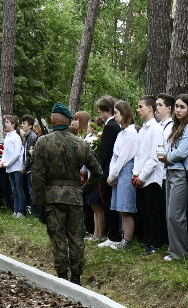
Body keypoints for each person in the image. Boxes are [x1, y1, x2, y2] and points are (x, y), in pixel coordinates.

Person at [31, 103, 107, 284]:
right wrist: (82, 191)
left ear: (53, 120)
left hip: (52, 197)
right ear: (68, 122)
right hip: (75, 197)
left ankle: (62, 276)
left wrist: (39, 201)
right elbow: (97, 172)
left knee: (58, 238)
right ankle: (76, 277)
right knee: (76, 238)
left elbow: (38, 175)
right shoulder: (80, 143)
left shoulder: (43, 142)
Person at [162, 94, 188, 259]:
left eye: (182, 107)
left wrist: (167, 158)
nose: (178, 110)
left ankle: (181, 253)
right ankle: (175, 250)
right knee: (170, 214)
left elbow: (182, 152)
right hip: (171, 171)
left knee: (176, 214)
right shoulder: (177, 127)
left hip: (181, 174)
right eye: (176, 106)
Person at [130, 94, 168, 252]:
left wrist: (143, 176)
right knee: (143, 211)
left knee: (152, 211)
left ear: (150, 108)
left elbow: (156, 157)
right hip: (141, 177)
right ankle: (147, 240)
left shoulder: (157, 130)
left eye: (141, 107)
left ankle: (155, 243)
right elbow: (138, 155)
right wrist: (136, 173)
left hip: (152, 178)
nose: (138, 110)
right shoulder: (142, 130)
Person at [104, 100, 138, 247]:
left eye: (117, 113)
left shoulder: (131, 132)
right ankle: (123, 237)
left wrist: (113, 175)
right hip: (118, 171)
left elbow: (124, 156)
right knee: (120, 208)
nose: (115, 116)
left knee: (126, 208)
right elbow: (115, 155)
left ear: (124, 113)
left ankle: (127, 240)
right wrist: (112, 174)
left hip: (126, 170)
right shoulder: (122, 132)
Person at [94, 96, 123, 239]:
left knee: (108, 204)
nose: (99, 112)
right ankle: (112, 234)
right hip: (110, 168)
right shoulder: (114, 126)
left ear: (108, 110)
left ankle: (113, 236)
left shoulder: (111, 127)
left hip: (107, 170)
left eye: (101, 109)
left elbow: (105, 151)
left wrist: (97, 166)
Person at [0, 115, 28, 215]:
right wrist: (2, 161)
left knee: (19, 189)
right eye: (5, 122)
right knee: (14, 190)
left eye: (7, 122)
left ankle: (21, 211)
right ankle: (15, 210)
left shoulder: (16, 137)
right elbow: (5, 152)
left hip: (17, 167)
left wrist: (7, 163)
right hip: (9, 167)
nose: (5, 124)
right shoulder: (7, 137)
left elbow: (16, 154)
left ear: (13, 124)